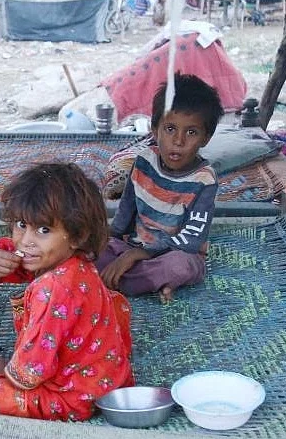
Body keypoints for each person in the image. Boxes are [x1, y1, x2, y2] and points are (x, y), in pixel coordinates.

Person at [0, 163, 134, 421]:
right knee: (114, 303)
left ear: (77, 235)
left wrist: (6, 372)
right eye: (21, 224)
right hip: (106, 376)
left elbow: (31, 370)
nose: (26, 241)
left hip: (72, 398)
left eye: (43, 230)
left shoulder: (53, 288)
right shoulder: (67, 259)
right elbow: (10, 256)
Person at [96, 74, 224, 303]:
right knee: (93, 249)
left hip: (176, 252)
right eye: (170, 129)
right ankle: (147, 283)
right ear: (155, 129)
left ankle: (120, 280)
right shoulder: (144, 160)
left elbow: (191, 240)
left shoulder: (205, 180)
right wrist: (110, 240)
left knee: (180, 267)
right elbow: (127, 206)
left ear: (206, 137)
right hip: (134, 244)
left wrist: (136, 255)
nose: (179, 140)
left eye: (191, 132)